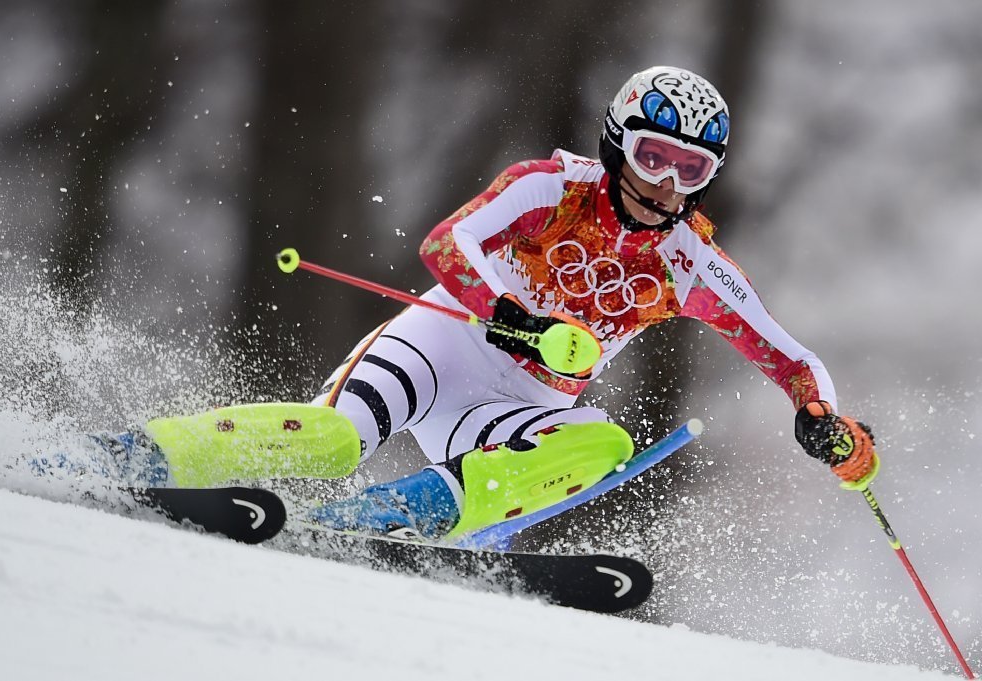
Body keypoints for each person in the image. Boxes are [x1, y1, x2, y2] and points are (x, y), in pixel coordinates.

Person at [43, 66, 878, 541]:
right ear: (619, 143)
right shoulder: (553, 186)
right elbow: (447, 245)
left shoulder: (693, 262)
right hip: (444, 345)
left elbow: (792, 358)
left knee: (603, 441)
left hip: (518, 407)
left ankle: (379, 523)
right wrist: (520, 323)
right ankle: (125, 458)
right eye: (655, 156)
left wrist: (830, 427)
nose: (664, 184)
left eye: (689, 171)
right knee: (334, 437)